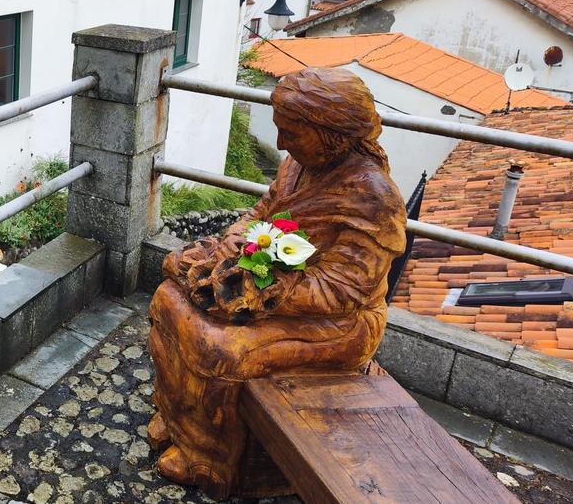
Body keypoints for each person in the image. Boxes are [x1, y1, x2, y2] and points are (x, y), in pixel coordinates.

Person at [147, 68, 407, 500]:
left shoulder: (373, 197)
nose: (283, 144)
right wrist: (230, 248)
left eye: (293, 133)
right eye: (280, 132)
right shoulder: (299, 165)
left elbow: (342, 292)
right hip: (274, 283)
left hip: (340, 323)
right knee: (168, 297)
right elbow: (261, 214)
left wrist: (257, 291)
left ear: (333, 136)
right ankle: (179, 421)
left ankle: (210, 457)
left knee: (221, 348)